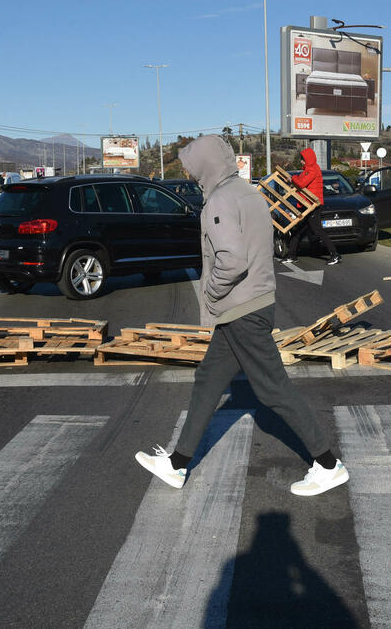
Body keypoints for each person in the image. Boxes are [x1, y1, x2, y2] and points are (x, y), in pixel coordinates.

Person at [135, 135, 349, 497]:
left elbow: (231, 260)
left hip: (241, 309)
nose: (189, 175)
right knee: (208, 380)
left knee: (272, 389)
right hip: (254, 302)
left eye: (191, 166)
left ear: (205, 164)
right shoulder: (248, 193)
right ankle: (177, 464)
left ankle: (328, 465)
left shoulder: (218, 200)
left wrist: (211, 292)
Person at [284, 147, 340, 266]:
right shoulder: (307, 170)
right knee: (298, 230)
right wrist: (293, 179)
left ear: (308, 159)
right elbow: (300, 180)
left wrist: (292, 178)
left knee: (317, 230)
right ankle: (292, 255)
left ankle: (334, 254)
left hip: (312, 205)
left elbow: (301, 183)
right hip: (306, 204)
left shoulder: (312, 169)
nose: (301, 161)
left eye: (303, 159)